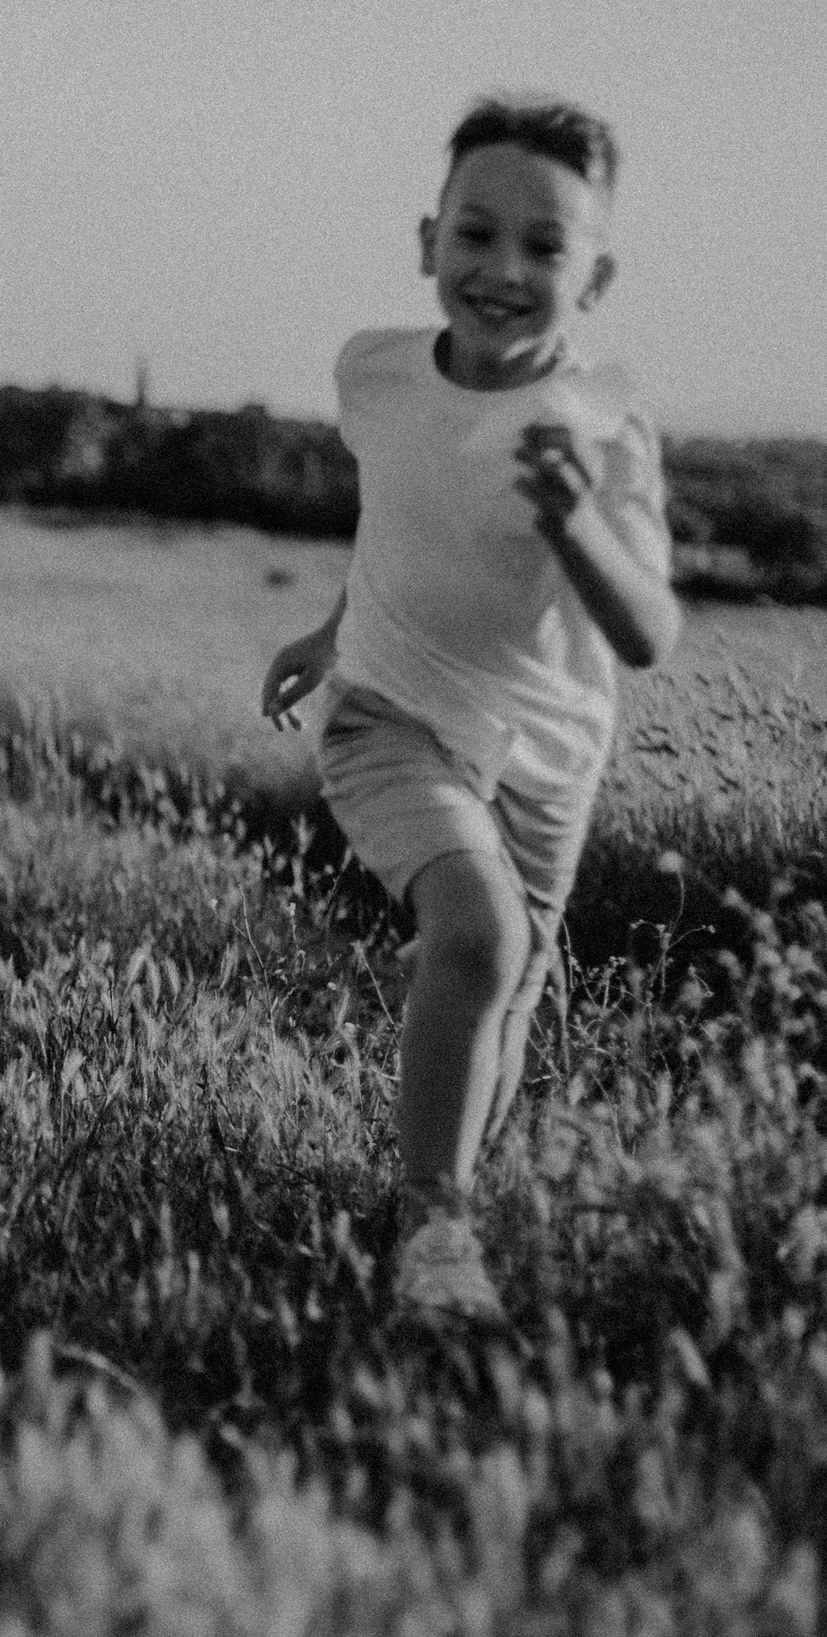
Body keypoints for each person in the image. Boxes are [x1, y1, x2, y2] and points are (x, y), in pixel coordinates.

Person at [259, 97, 681, 1320]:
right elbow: (398, 519)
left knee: (510, 985)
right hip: (389, 714)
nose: (502, 271)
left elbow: (646, 633)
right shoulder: (374, 371)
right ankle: (434, 1230)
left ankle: (431, 1215)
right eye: (476, 235)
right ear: (425, 239)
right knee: (479, 938)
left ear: (592, 278)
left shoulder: (603, 426)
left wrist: (574, 519)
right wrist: (328, 633)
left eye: (543, 250)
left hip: (551, 752)